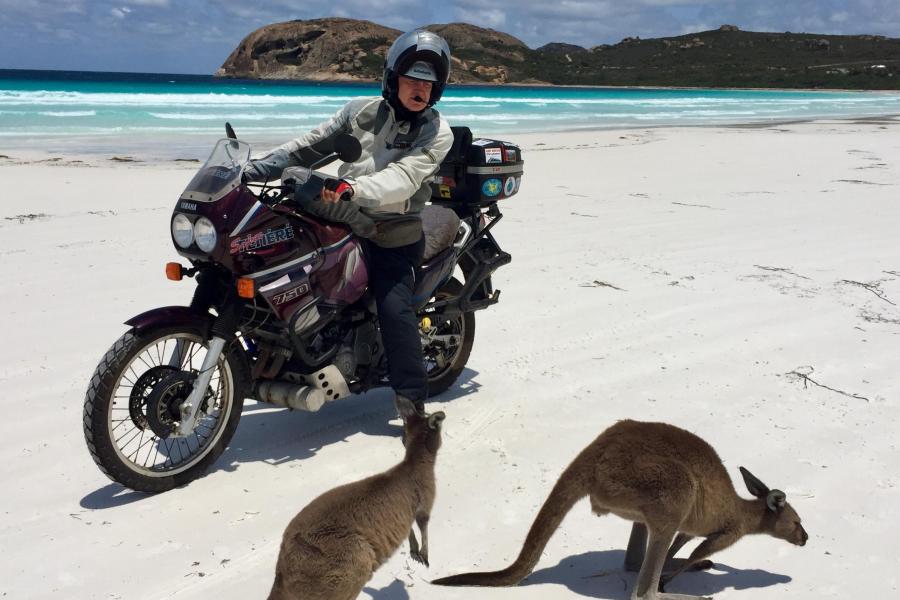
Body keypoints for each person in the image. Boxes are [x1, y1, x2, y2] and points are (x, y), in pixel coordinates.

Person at [244, 30, 454, 415]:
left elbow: (404, 179)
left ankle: (412, 407)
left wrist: (352, 188)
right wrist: (258, 167)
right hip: (341, 214)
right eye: (412, 78)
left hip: (392, 229)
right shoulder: (361, 111)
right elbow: (311, 145)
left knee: (394, 308)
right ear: (392, 78)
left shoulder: (438, 133)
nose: (420, 89)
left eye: (428, 82)